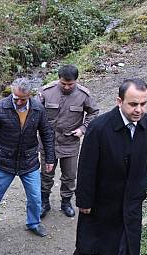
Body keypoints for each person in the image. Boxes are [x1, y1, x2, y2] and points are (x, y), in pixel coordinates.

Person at [70, 79, 147, 255]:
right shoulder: (100, 127)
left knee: (127, 240)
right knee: (90, 238)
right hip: (103, 198)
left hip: (132, 197)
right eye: (133, 104)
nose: (139, 110)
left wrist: (142, 185)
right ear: (119, 101)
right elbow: (87, 167)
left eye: (143, 104)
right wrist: (84, 200)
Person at [0, 77, 55, 237]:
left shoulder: (38, 109)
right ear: (11, 93)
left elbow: (46, 133)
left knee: (35, 197)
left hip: (29, 162)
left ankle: (34, 223)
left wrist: (50, 157)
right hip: (3, 162)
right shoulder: (0, 107)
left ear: (30, 95)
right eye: (16, 98)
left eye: (23, 99)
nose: (19, 102)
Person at [38, 64, 99, 218]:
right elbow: (35, 112)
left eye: (70, 84)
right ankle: (44, 202)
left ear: (76, 81)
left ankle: (66, 201)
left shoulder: (83, 95)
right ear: (58, 79)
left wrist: (83, 129)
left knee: (70, 175)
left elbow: (93, 113)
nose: (66, 87)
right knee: (46, 174)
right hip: (48, 142)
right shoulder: (46, 92)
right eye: (63, 83)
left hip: (70, 141)